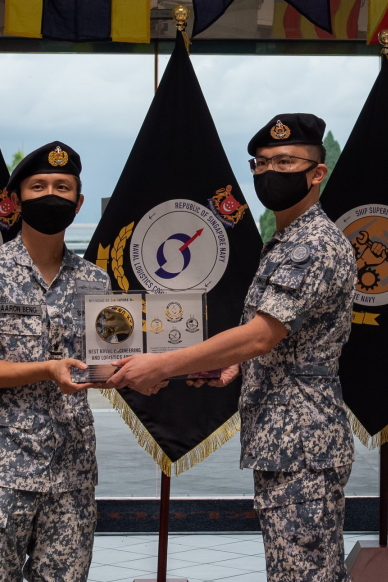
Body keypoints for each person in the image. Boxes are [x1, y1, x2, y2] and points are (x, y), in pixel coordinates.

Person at [106, 114, 357, 582]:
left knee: (305, 575)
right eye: (261, 163)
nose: (270, 172)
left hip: (302, 442)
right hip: (286, 439)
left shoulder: (313, 245)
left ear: (317, 173)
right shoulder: (285, 241)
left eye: (285, 161)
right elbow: (288, 342)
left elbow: (262, 335)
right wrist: (236, 369)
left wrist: (161, 364)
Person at [0, 141, 109, 582]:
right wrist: (46, 369)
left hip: (71, 472)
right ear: (16, 201)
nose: (51, 194)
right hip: (1, 471)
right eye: (38, 186)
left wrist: (150, 375)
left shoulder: (96, 280)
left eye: (62, 186)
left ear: (78, 202)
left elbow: (105, 362)